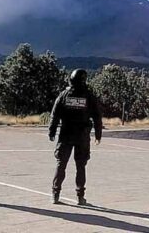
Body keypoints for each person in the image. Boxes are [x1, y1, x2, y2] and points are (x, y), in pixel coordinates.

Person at [49, 69, 102, 205]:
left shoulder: (64, 95)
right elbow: (97, 116)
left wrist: (52, 131)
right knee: (81, 166)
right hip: (82, 136)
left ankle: (55, 194)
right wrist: (98, 134)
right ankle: (80, 196)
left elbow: (55, 115)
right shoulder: (89, 96)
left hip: (66, 134)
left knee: (61, 164)